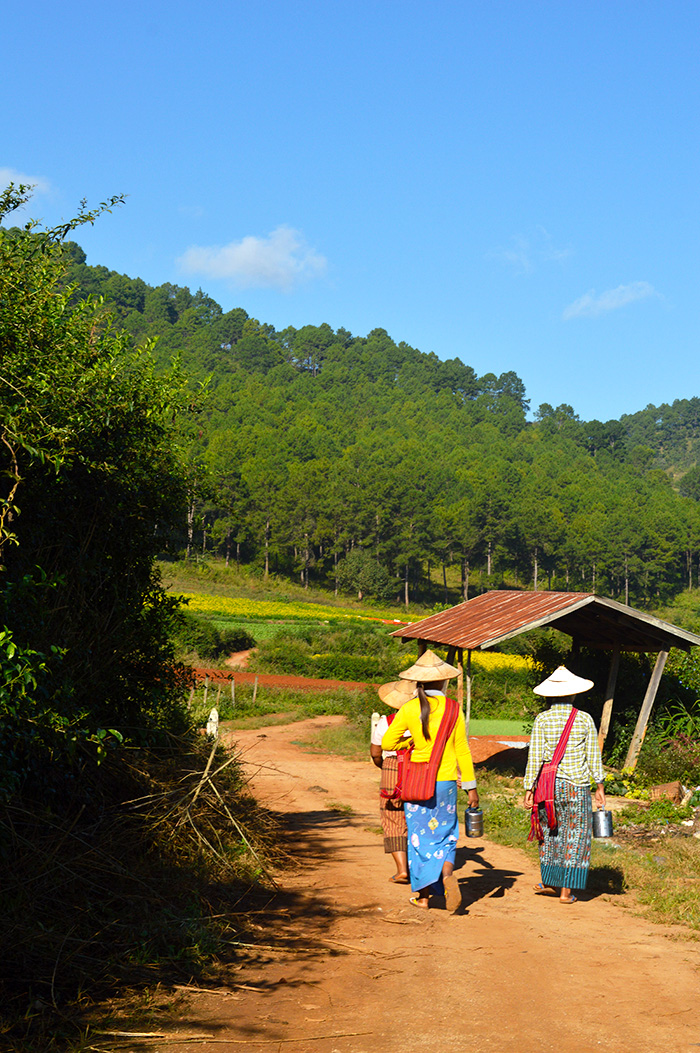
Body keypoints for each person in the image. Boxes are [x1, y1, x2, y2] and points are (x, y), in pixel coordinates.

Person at [381, 650, 478, 912]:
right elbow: (462, 749)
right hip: (445, 782)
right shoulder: (453, 709)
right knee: (446, 835)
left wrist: (412, 742)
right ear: (444, 681)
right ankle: (447, 876)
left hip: (416, 783)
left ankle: (423, 897)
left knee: (418, 838)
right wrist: (470, 786)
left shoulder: (409, 708)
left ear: (417, 682)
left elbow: (388, 742)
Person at [523, 665, 606, 904]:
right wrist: (599, 786)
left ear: (549, 695)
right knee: (576, 836)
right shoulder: (584, 719)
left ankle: (549, 880)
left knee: (550, 833)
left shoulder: (542, 719)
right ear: (573, 694)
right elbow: (593, 755)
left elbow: (535, 757)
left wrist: (529, 787)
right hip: (577, 787)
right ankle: (566, 892)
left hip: (547, 787)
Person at [370, 679, 416, 884]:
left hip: (391, 767)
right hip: (419, 769)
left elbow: (375, 752)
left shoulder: (386, 721)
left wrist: (384, 767)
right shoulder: (425, 722)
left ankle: (401, 870)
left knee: (392, 818)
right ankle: (422, 868)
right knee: (417, 816)